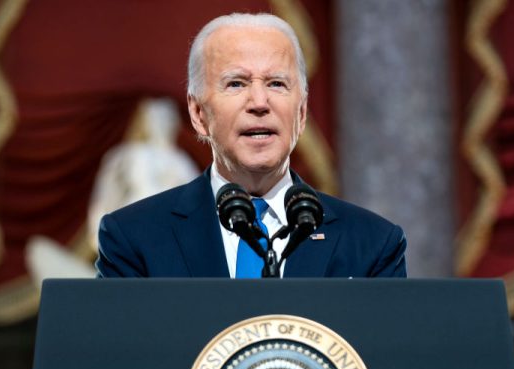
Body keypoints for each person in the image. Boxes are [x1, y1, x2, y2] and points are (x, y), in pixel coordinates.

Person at [95, 13, 406, 278]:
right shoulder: (133, 238)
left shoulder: (373, 245)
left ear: (301, 113)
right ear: (199, 113)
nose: (259, 103)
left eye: (276, 83)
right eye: (236, 84)